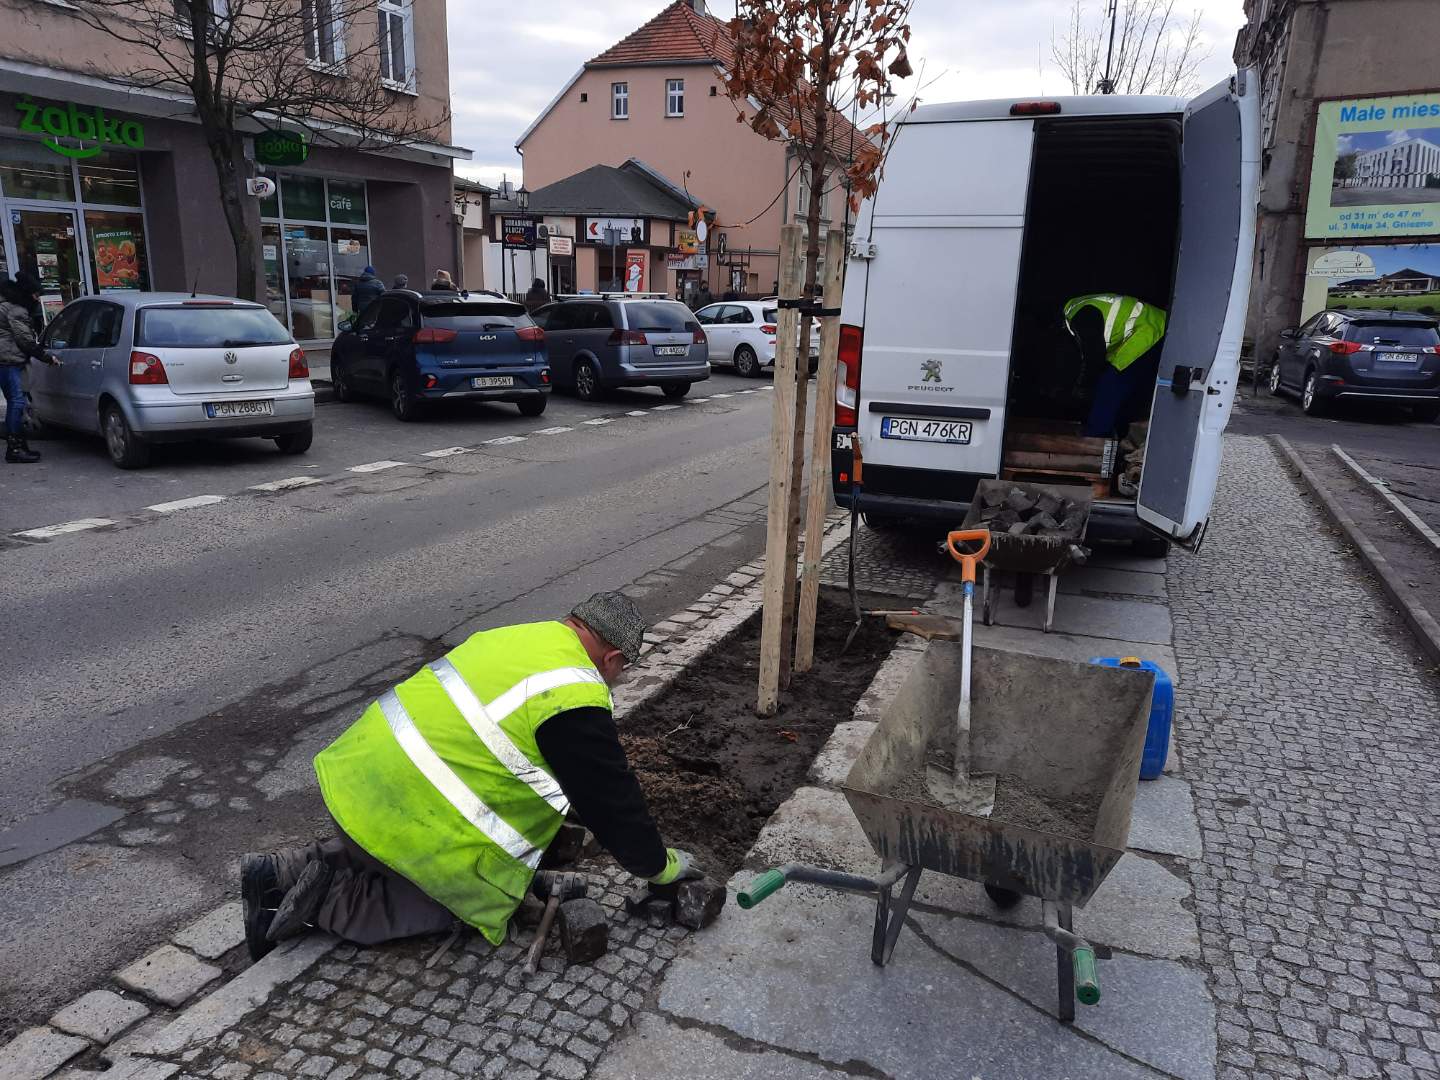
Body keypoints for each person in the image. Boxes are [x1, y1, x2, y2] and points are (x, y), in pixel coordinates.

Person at [239, 591, 701, 960]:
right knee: (451, 908)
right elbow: (609, 799)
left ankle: (286, 868)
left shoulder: (514, 638)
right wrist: (659, 868)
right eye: (622, 672)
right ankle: (320, 902)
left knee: (390, 849)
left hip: (353, 786)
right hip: (395, 816)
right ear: (614, 658)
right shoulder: (574, 691)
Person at [1061, 293, 1167, 438]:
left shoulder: (1082, 317)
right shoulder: (1079, 309)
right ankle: (1116, 431)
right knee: (1117, 383)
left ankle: (1096, 435)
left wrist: (1083, 387)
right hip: (1154, 326)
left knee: (1110, 383)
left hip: (1148, 331)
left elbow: (1094, 358)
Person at [0, 273, 60, 464]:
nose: (37, 299)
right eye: (35, 295)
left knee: (16, 401)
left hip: (6, 359)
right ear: (27, 293)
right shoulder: (16, 309)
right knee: (17, 402)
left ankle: (19, 444)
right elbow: (24, 339)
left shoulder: (8, 304)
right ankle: (14, 448)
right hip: (9, 360)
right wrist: (46, 357)